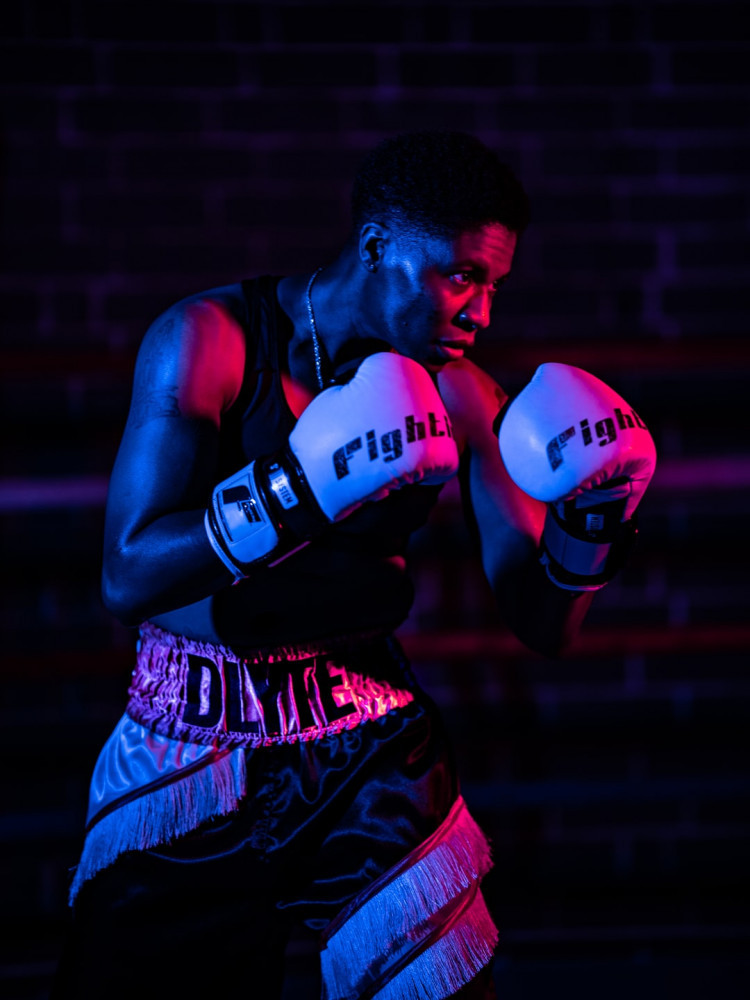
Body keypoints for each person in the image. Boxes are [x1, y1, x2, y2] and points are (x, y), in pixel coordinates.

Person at [53, 131, 656, 999]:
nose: (481, 313)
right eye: (461, 276)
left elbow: (544, 623)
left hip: (370, 747)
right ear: (377, 246)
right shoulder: (212, 341)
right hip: (194, 746)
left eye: (495, 285)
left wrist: (592, 522)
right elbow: (126, 574)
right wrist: (297, 489)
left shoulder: (458, 391)